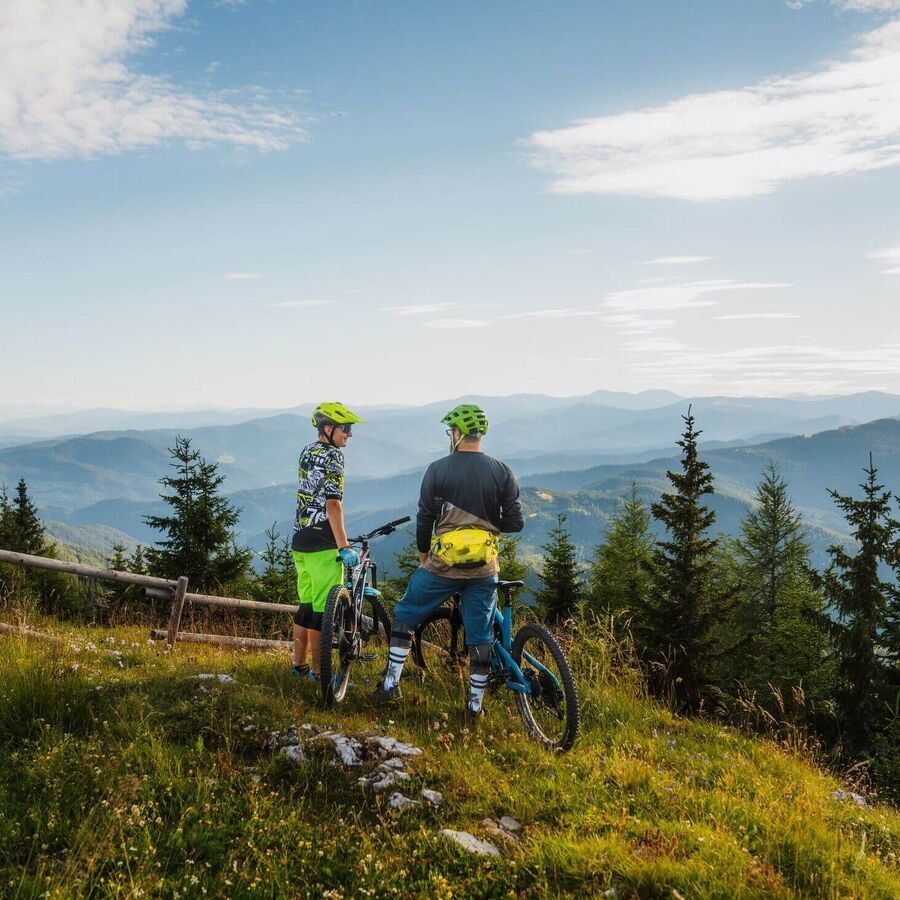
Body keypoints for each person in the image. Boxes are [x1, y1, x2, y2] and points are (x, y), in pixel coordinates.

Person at [371, 403, 524, 716]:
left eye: (450, 431)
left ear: (457, 434)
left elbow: (425, 516)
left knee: (405, 614)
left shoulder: (438, 469)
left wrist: (424, 555)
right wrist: (486, 527)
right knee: (480, 636)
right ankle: (475, 706)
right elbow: (516, 522)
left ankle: (390, 685)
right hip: (484, 568)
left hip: (443, 566)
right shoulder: (502, 471)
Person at [291, 402, 364, 680]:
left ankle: (299, 666)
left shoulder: (307, 450)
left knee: (306, 606)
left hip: (300, 538)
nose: (350, 434)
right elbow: (333, 503)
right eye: (346, 428)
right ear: (328, 428)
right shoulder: (334, 456)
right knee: (324, 611)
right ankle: (320, 673)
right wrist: (343, 546)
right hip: (323, 541)